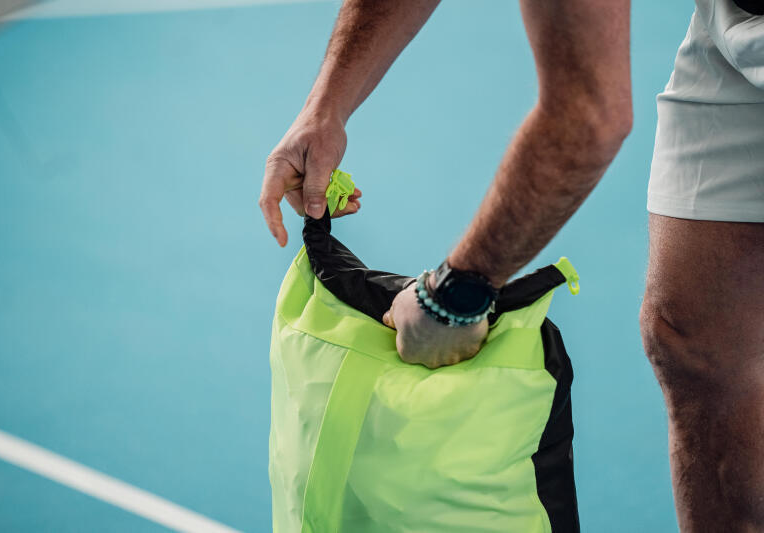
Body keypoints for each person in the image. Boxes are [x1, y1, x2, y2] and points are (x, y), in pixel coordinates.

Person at [259, 1, 762, 531]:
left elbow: (588, 115)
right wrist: (326, 107)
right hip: (732, 22)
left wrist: (453, 296)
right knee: (691, 342)